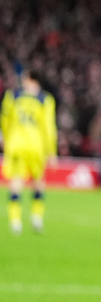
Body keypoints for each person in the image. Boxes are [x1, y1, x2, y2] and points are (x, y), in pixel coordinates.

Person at [1, 69, 58, 235]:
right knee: (39, 182)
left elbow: (5, 120)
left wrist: (6, 138)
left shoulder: (13, 96)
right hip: (37, 147)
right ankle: (37, 218)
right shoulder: (45, 99)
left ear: (30, 79)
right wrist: (51, 151)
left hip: (16, 144)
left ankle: (15, 221)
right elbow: (49, 127)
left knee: (16, 182)